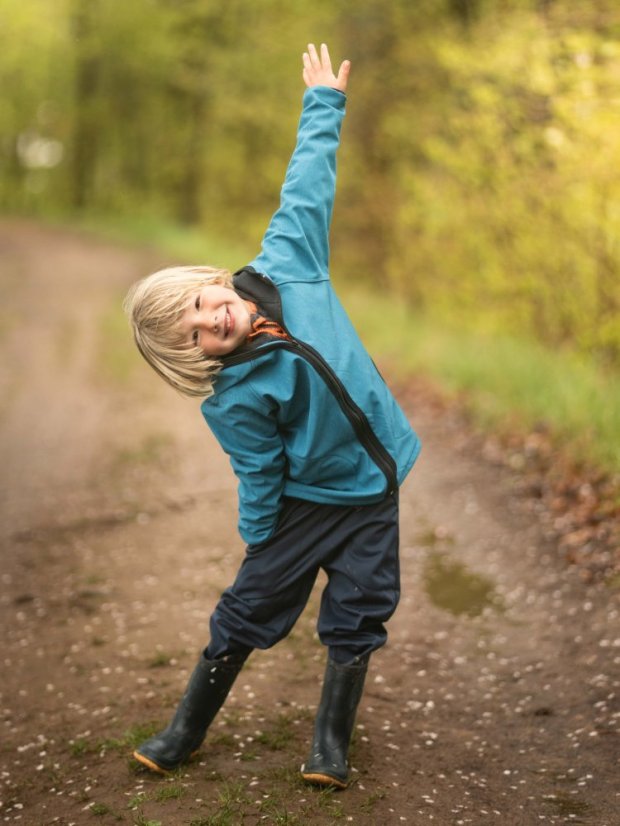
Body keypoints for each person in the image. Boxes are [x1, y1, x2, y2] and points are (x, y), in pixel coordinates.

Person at [124, 43, 421, 788]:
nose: (208, 320)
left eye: (201, 301)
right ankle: (185, 730)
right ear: (191, 356)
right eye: (191, 333)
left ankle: (329, 743)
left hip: (372, 491)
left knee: (360, 609)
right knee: (249, 610)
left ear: (214, 282)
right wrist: (262, 539)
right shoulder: (234, 399)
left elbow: (307, 188)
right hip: (299, 509)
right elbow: (259, 472)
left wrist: (324, 105)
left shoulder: (289, 263)